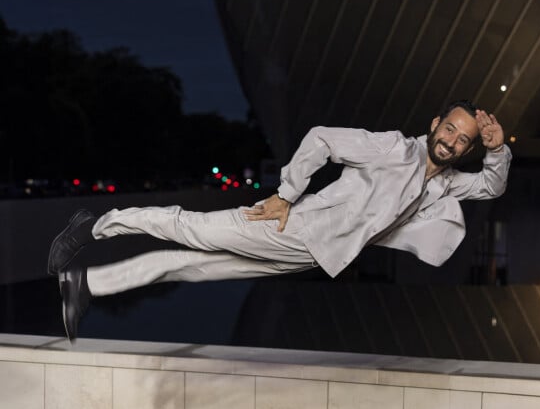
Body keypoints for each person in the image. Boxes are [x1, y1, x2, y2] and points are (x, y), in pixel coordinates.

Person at [48, 100, 511, 342]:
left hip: (311, 258)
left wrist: (497, 148)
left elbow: (492, 186)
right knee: (191, 227)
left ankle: (86, 285)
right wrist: (287, 195)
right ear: (434, 125)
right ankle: (94, 225)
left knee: (189, 267)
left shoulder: (444, 184)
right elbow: (321, 138)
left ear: (467, 149)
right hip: (292, 228)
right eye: (449, 129)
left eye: (464, 139)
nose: (452, 141)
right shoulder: (394, 148)